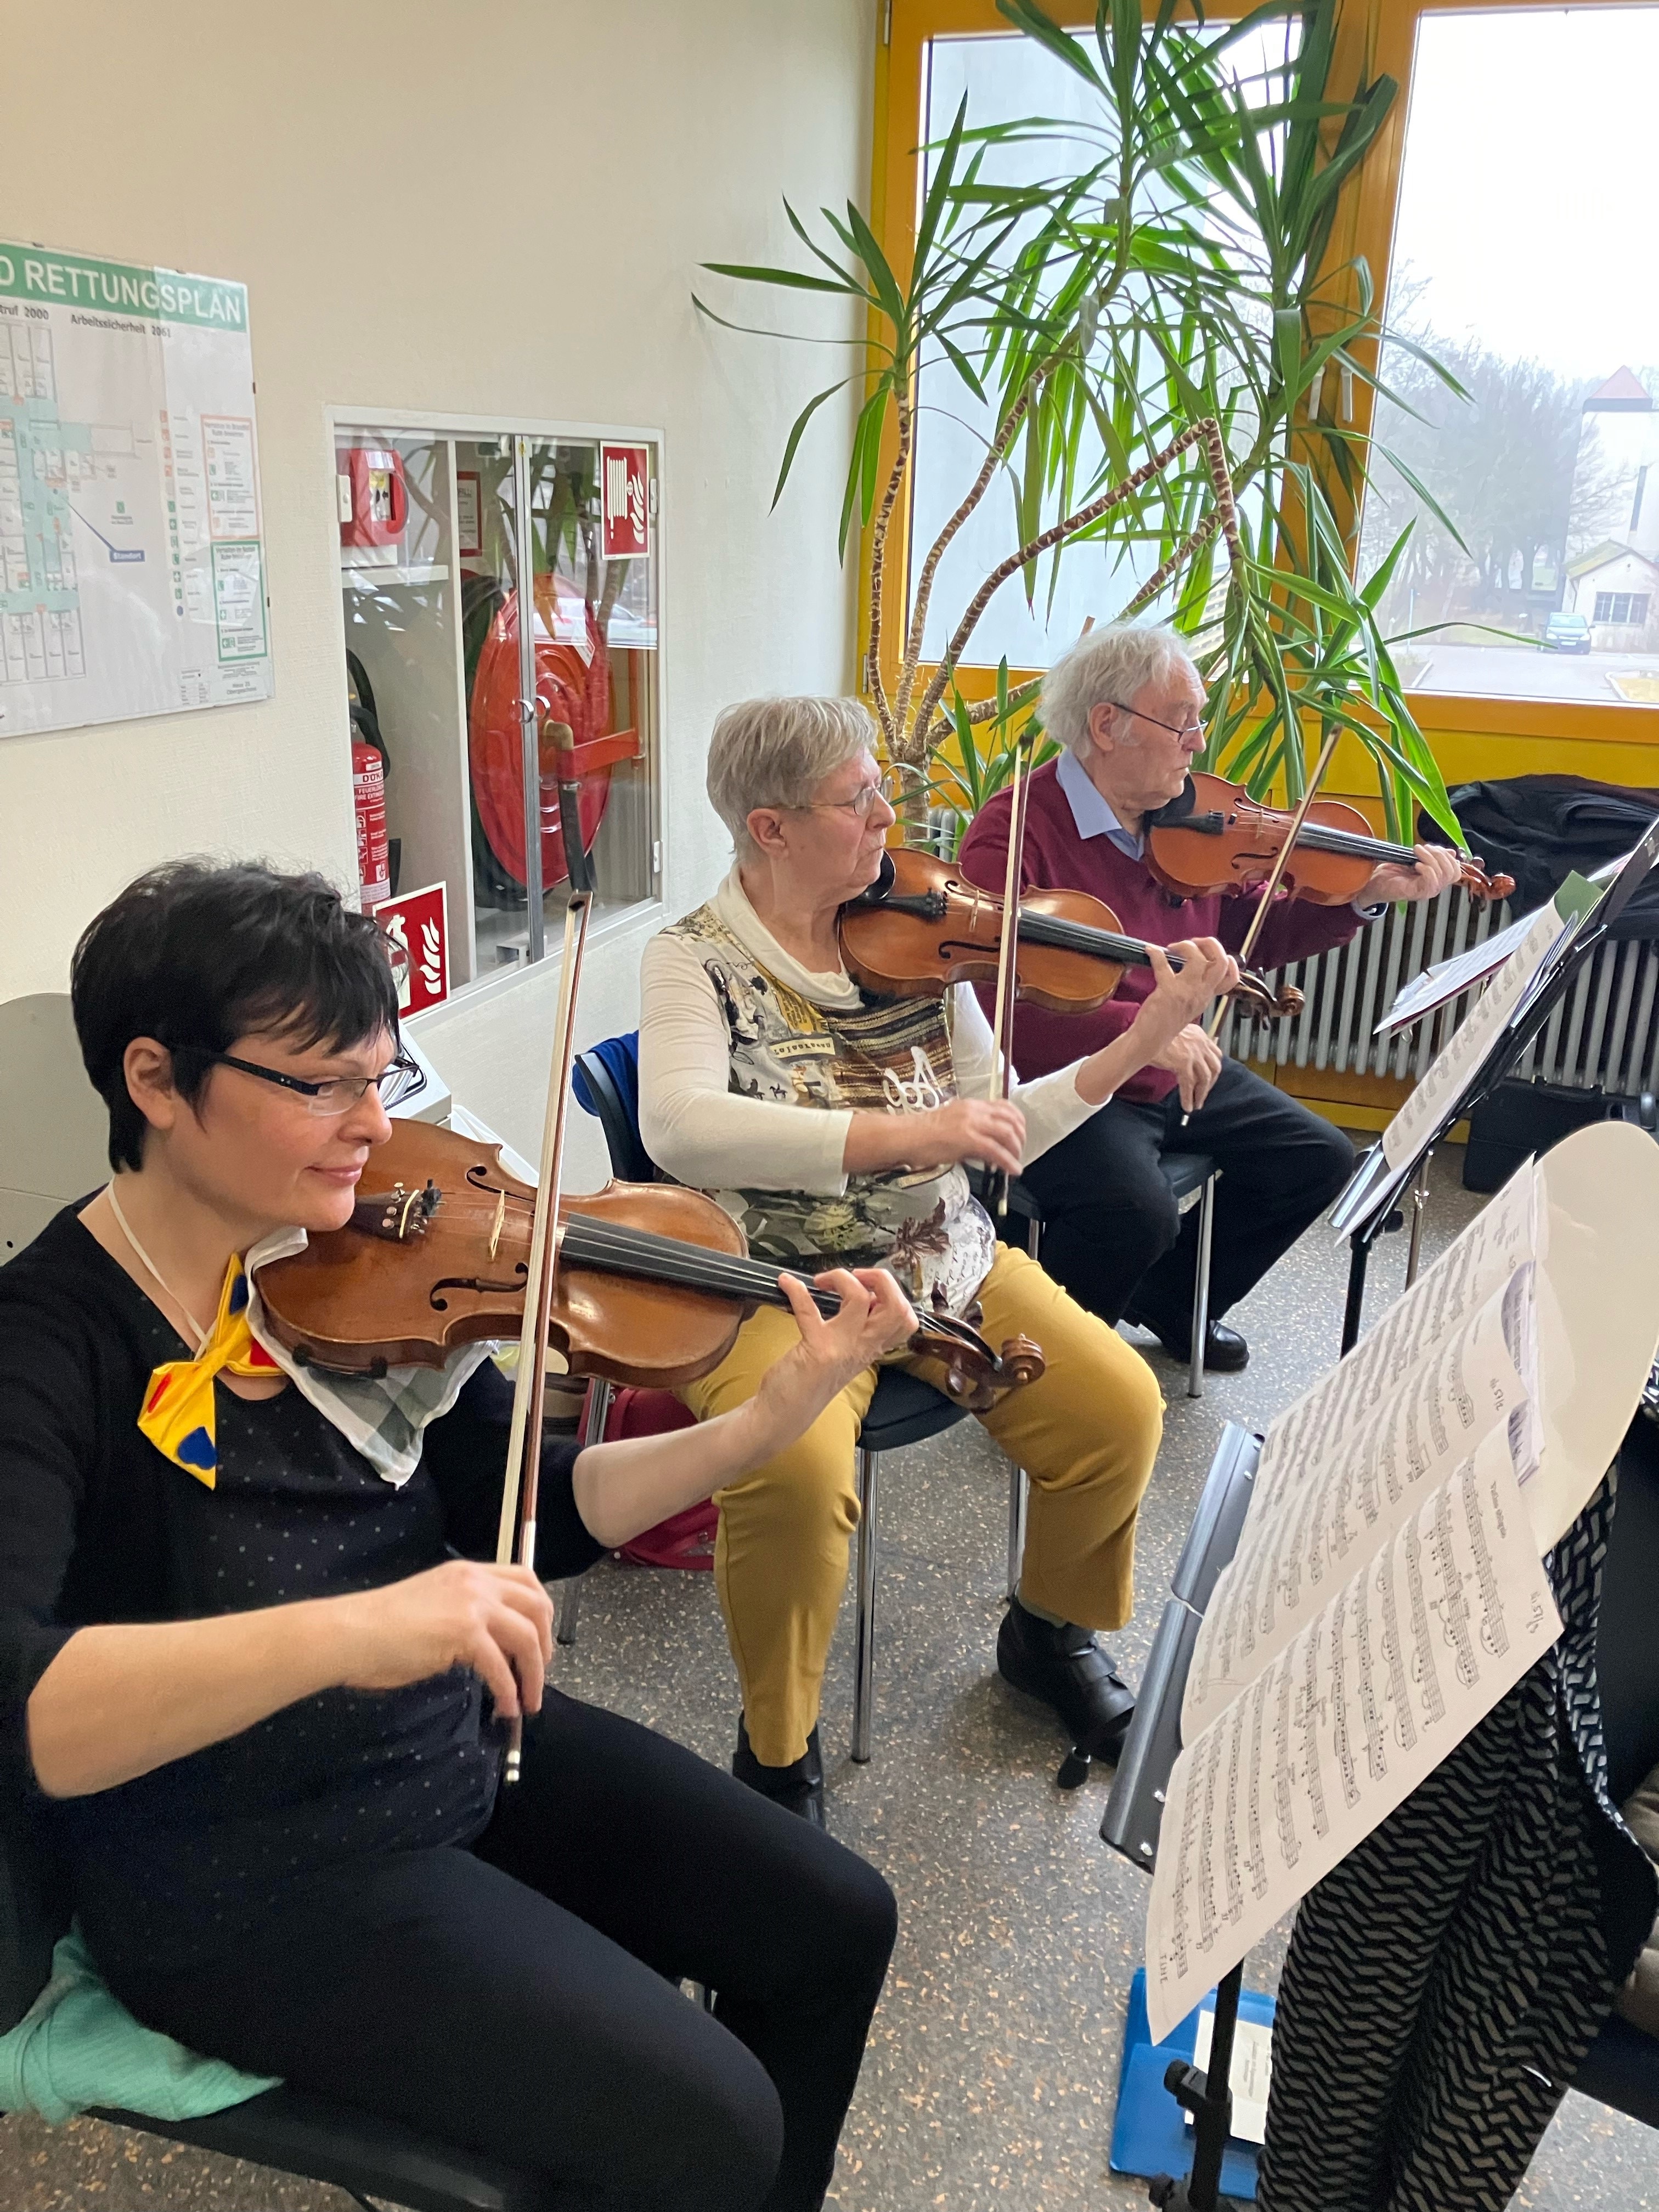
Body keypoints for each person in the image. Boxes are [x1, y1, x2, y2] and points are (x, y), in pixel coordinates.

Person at [0, 861, 923, 2212]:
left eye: (382, 1078)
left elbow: (537, 1511)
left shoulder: (353, 1257)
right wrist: (361, 1628)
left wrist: (767, 1417)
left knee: (837, 1925)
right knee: (709, 2123)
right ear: (154, 1080)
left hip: (451, 1741)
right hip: (247, 1873)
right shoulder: (45, 1343)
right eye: (324, 1086)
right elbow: (22, 1714)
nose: (375, 1129)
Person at [638, 697, 1238, 1822]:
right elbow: (677, 1125)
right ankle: (776, 1752)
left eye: (881, 791)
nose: (886, 816)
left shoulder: (921, 939)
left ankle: (1047, 1635)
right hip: (778, 1286)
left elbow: (996, 1118)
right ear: (770, 829)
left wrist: (1137, 1044)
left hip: (941, 1259)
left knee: (1119, 1408)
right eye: (856, 798)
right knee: (795, 1473)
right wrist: (903, 1137)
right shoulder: (694, 962)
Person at [958, 625, 1463, 1373]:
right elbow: (994, 995)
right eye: (1183, 719)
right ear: (1108, 724)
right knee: (1133, 1210)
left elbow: (1250, 927)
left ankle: (1168, 1299)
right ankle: (1050, 1370)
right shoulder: (1015, 832)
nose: (1199, 742)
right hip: (1073, 1084)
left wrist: (1365, 896)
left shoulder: (1192, 826)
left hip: (1175, 1066)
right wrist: (1143, 1033)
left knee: (1319, 1158)